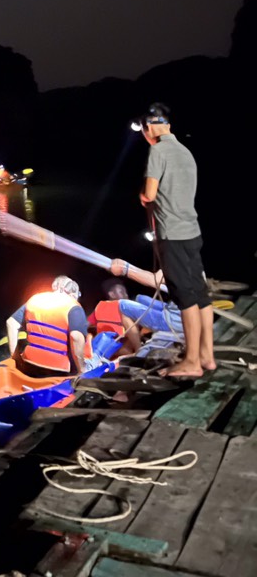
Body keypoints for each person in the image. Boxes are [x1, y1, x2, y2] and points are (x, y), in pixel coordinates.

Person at [138, 102, 214, 377]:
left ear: (149, 129)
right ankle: (206, 355)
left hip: (173, 235)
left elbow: (150, 192)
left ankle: (191, 362)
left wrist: (143, 198)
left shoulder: (157, 151)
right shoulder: (185, 151)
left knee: (185, 298)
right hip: (192, 231)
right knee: (200, 294)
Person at [6, 276, 88, 377]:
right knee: (89, 364)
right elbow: (76, 337)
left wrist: (15, 357)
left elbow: (11, 323)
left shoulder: (35, 299)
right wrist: (81, 369)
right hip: (58, 369)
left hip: (30, 364)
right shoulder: (74, 306)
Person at [88, 278, 142, 353]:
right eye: (122, 292)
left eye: (126, 292)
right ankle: (139, 350)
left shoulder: (100, 306)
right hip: (118, 345)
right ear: (112, 294)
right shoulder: (124, 307)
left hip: (103, 348)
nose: (126, 295)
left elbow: (86, 325)